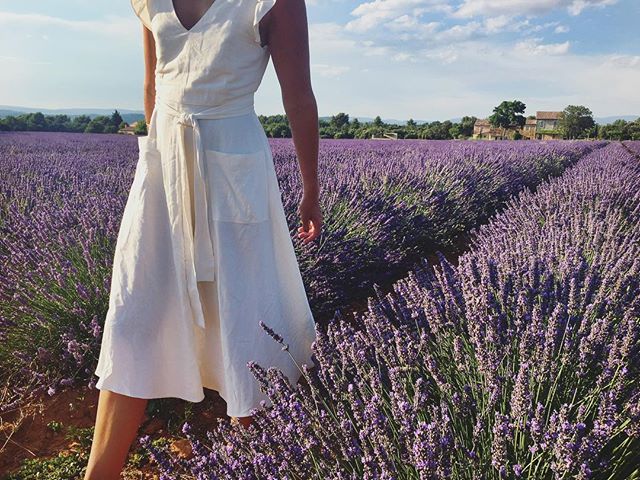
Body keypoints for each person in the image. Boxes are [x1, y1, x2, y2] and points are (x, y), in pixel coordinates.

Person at [84, 0, 322, 477]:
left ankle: (247, 466)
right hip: (163, 171)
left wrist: (311, 190)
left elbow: (297, 95)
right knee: (133, 317)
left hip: (234, 167)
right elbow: (153, 85)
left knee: (243, 320)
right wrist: (156, 162)